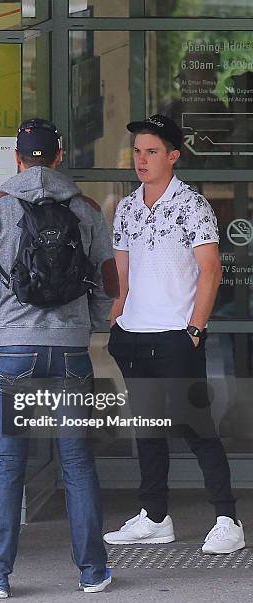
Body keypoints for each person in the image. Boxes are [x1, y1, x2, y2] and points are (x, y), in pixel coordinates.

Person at [0, 118, 119, 598]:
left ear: (16, 156)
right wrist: (90, 324)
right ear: (58, 154)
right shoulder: (87, 209)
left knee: (9, 464)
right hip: (70, 351)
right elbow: (110, 282)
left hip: (13, 351)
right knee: (77, 462)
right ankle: (93, 572)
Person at [104, 115, 245, 555]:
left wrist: (195, 329)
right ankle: (155, 517)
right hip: (133, 333)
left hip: (176, 335)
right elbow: (122, 276)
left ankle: (228, 519)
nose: (140, 159)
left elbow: (211, 270)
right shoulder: (126, 207)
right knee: (147, 429)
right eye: (137, 151)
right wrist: (117, 318)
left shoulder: (192, 205)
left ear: (173, 156)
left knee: (195, 425)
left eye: (151, 152)